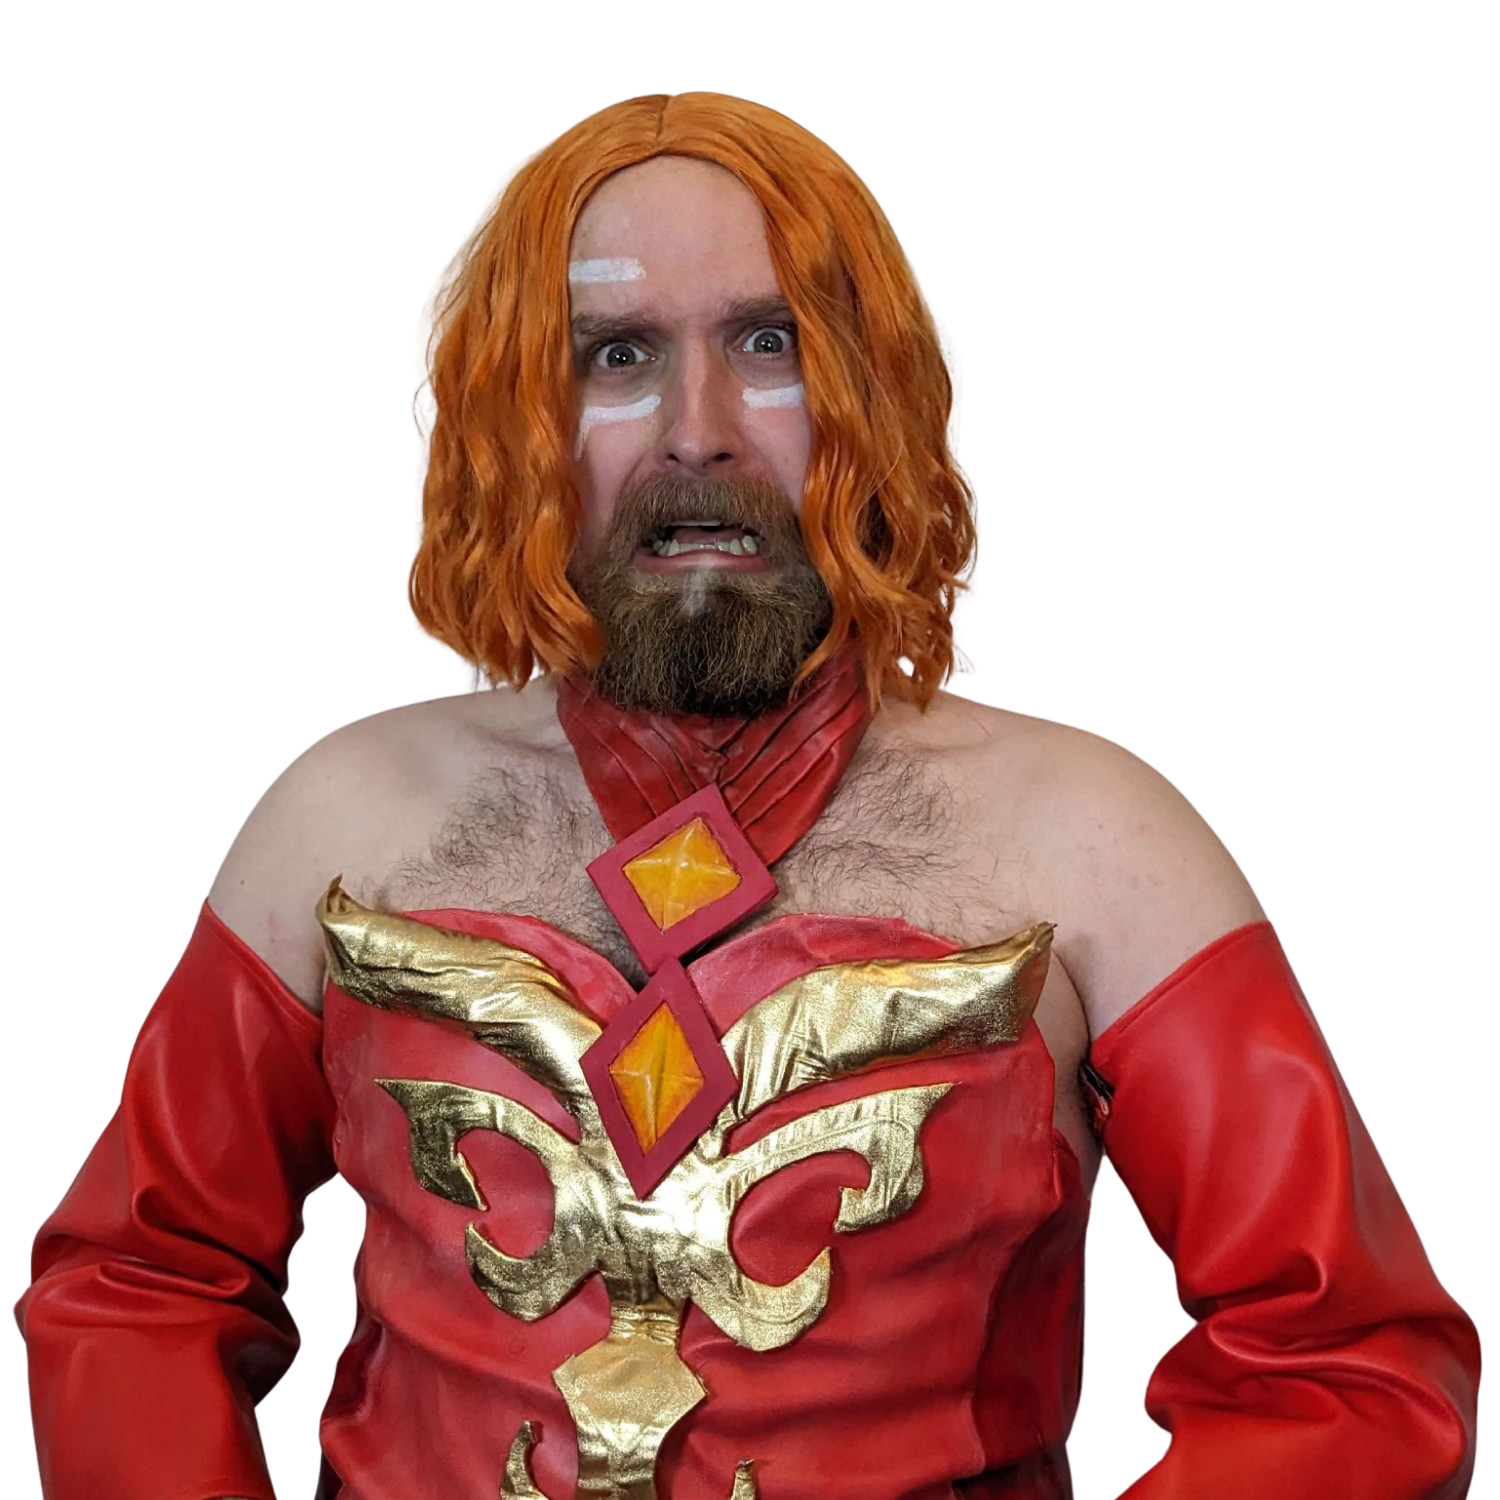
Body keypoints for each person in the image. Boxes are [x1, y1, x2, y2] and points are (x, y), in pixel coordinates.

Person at [17, 91, 1480, 1500]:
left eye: (769, 342)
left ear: (874, 395)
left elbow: (1348, 1372)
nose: (698, 429)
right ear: (514, 417)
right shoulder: (342, 818)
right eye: (614, 354)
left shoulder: (1100, 838)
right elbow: (138, 1281)